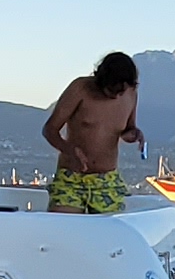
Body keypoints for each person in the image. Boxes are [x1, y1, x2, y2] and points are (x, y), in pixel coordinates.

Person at [42, 51, 145, 214]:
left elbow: (127, 130)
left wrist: (134, 134)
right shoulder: (80, 89)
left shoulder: (131, 94)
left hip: (106, 180)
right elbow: (50, 129)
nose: (116, 96)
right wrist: (69, 150)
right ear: (101, 80)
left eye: (121, 92)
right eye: (111, 90)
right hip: (72, 178)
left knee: (108, 234)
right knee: (63, 230)